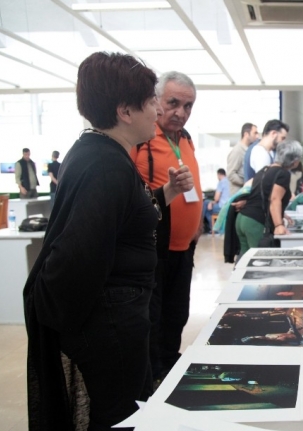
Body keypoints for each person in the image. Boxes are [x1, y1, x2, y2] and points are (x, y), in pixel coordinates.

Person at [23, 52, 194, 430]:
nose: (157, 111)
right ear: (125, 111)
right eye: (152, 101)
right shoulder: (104, 165)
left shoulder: (104, 155)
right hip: (109, 330)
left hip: (118, 321)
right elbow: (77, 259)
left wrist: (163, 195)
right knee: (117, 416)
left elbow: (122, 219)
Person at [130, 71, 204, 383]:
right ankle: (154, 376)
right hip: (154, 249)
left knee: (178, 313)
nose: (181, 113)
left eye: (188, 106)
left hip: (185, 248)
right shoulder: (142, 139)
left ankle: (170, 367)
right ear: (156, 100)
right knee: (154, 318)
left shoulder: (185, 139)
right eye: (173, 103)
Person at [235, 140, 303, 256]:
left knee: (244, 261)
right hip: (255, 223)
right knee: (259, 262)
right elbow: (274, 199)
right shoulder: (283, 174)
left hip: (243, 219)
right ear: (295, 162)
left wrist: (282, 215)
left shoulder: (265, 169)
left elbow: (254, 190)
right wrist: (279, 225)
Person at [227, 122, 259, 195]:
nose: (257, 136)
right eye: (255, 133)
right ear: (246, 134)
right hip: (239, 194)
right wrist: (246, 182)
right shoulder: (237, 151)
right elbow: (231, 174)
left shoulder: (250, 150)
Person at [203, 168, 229, 233]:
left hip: (221, 207)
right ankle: (214, 228)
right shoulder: (229, 181)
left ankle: (212, 228)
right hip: (229, 206)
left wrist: (211, 202)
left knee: (205, 204)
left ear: (219, 174)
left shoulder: (221, 182)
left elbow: (216, 199)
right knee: (208, 206)